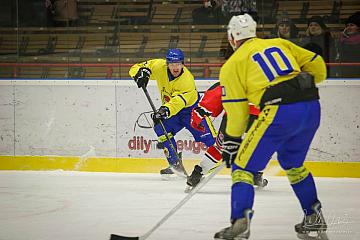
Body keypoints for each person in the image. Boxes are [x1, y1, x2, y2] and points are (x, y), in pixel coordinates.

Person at [214, 14, 328, 240]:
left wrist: (232, 142)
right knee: (293, 164)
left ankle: (240, 225)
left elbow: (237, 113)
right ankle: (313, 217)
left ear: (231, 37)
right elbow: (318, 66)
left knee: (243, 169)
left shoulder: (232, 64)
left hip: (279, 111)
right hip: (311, 107)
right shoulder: (279, 43)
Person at [129, 49, 220, 179]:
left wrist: (164, 110)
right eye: (172, 64)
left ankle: (214, 163)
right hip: (173, 112)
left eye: (178, 63)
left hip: (191, 111)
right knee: (161, 128)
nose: (175, 67)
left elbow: (178, 102)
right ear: (167, 64)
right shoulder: (159, 66)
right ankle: (175, 164)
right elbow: (136, 67)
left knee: (211, 140)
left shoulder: (187, 79)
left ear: (183, 64)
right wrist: (141, 74)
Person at [186, 81, 268, 190]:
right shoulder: (267, 75)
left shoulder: (233, 74)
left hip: (232, 117)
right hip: (257, 117)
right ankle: (256, 175)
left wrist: (199, 114)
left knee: (219, 148)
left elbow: (216, 94)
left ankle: (197, 174)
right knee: (260, 147)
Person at [337, 11, 360, 77]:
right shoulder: (342, 40)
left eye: (352, 25)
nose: (348, 28)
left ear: (358, 27)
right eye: (347, 26)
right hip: (345, 73)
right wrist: (342, 39)